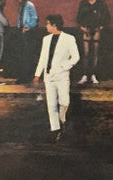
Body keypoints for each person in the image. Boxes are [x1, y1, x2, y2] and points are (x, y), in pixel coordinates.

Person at [34, 14, 80, 142]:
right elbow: (43, 57)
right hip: (48, 76)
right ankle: (55, 129)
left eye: (48, 23)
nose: (46, 26)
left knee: (64, 102)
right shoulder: (46, 39)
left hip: (62, 76)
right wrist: (37, 74)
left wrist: (65, 66)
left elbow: (76, 57)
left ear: (54, 25)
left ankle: (62, 120)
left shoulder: (69, 39)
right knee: (51, 104)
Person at [76, 0, 110, 85]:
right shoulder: (83, 4)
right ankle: (85, 75)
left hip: (96, 29)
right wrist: (81, 27)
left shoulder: (100, 4)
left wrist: (101, 26)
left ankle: (94, 75)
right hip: (86, 29)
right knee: (86, 53)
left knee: (95, 53)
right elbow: (78, 17)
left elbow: (107, 17)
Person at [15, 0, 39, 83]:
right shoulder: (22, 6)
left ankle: (26, 77)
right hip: (22, 32)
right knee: (22, 55)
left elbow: (35, 18)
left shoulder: (30, 5)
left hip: (28, 33)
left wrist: (28, 27)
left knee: (26, 55)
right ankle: (23, 77)